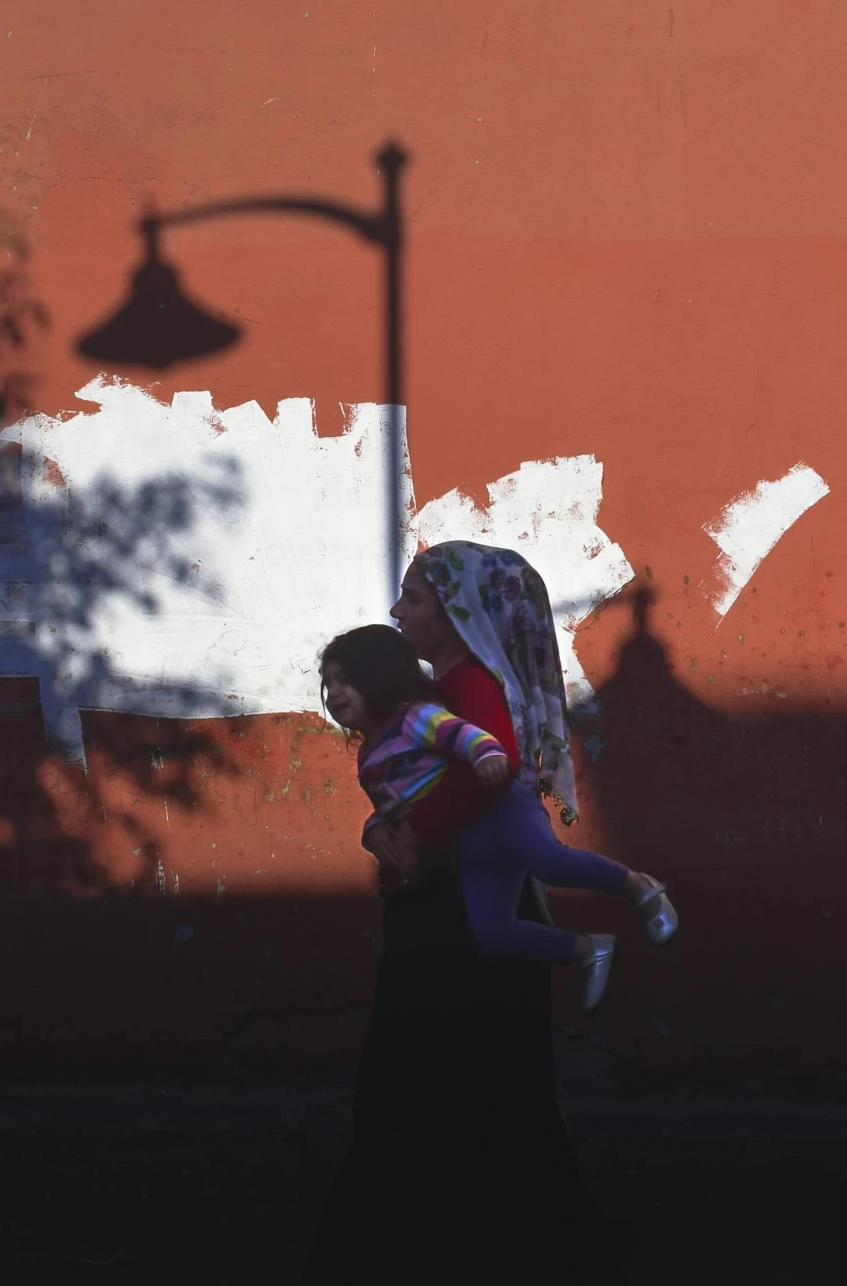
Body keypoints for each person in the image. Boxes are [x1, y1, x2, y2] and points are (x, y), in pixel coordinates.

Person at [305, 543, 647, 1282]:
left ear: (462, 610)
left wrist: (409, 836)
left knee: (428, 1079)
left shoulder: (474, 687)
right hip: (458, 903)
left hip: (453, 917)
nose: (399, 613)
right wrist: (385, 829)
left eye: (414, 600)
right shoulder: (444, 684)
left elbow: (485, 780)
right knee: (486, 1082)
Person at [319, 622, 673, 1010]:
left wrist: (485, 753)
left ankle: (640, 887)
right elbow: (391, 804)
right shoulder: (368, 754)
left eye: (344, 680)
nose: (333, 693)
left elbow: (462, 734)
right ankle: (588, 949)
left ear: (377, 677)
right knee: (492, 931)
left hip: (502, 812)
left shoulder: (414, 719)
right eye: (328, 683)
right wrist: (373, 829)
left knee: (549, 862)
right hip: (471, 850)